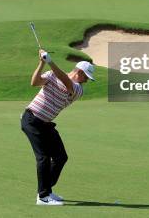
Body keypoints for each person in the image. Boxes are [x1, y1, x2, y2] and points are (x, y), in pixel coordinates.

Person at [21, 49, 95, 206]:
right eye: (86, 77)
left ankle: (47, 190)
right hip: (32, 120)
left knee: (61, 157)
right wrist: (42, 63)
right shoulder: (51, 75)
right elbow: (34, 82)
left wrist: (50, 62)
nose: (86, 81)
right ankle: (42, 197)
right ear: (80, 72)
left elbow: (66, 81)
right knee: (43, 157)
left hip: (45, 124)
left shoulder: (78, 89)